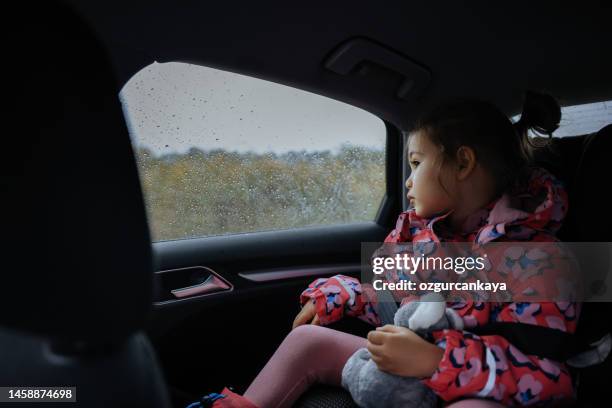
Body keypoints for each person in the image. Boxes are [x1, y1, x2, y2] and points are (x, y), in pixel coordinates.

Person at [198, 91, 579, 408]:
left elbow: (553, 378)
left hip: (478, 385)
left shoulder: (541, 260)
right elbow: (392, 304)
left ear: (463, 162)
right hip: (402, 370)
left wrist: (436, 362)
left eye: (416, 164)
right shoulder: (418, 237)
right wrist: (344, 295)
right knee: (305, 340)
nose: (409, 182)